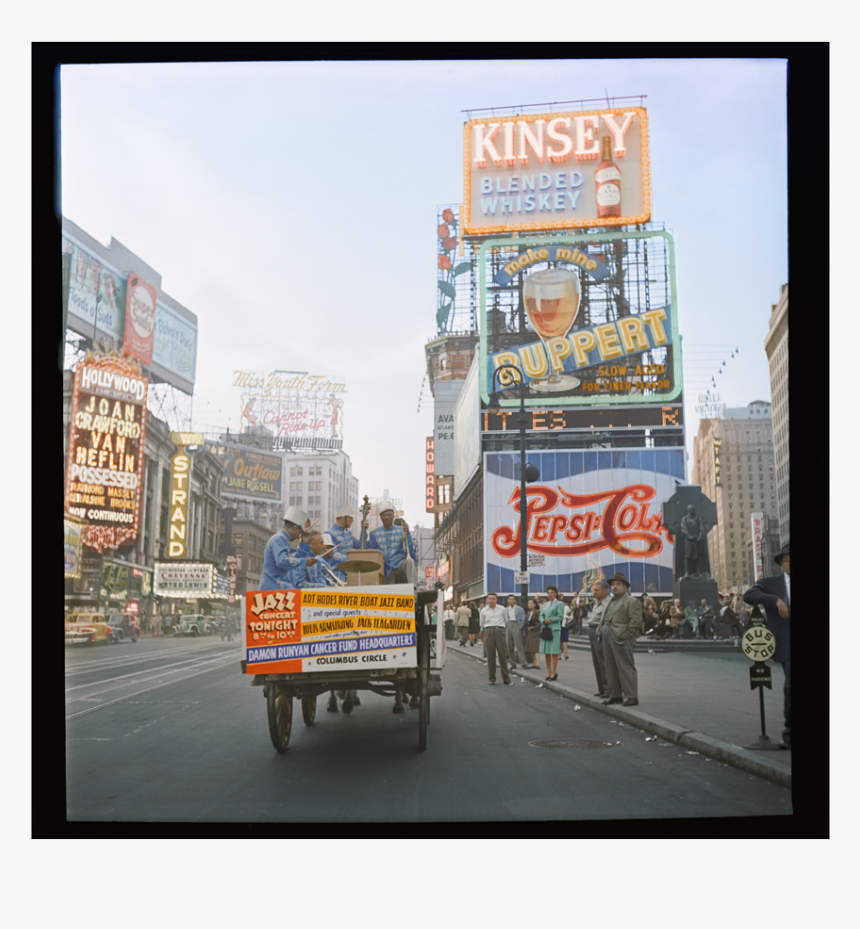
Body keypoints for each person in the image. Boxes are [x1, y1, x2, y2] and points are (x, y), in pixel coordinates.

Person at [743, 543, 791, 748]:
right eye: (788, 560)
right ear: (782, 563)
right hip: (787, 645)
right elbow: (749, 596)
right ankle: (790, 735)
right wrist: (774, 600)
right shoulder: (771, 583)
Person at [596, 573, 642, 706]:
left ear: (625, 587)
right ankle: (615, 695)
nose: (614, 587)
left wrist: (626, 635)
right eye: (613, 585)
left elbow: (635, 622)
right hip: (607, 635)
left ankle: (632, 696)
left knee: (625, 667)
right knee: (610, 667)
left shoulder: (631, 601)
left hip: (620, 637)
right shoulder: (610, 600)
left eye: (618, 585)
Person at [259, 506, 314, 591]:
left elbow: (296, 558)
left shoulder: (282, 540)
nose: (299, 535)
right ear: (295, 528)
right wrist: (304, 561)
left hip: (276, 584)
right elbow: (282, 561)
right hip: (272, 584)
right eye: (300, 532)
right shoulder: (279, 539)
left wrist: (304, 544)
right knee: (299, 599)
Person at [367, 501, 416, 585]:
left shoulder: (402, 530)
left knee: (410, 562)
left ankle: (413, 588)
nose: (387, 517)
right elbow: (372, 555)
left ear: (393, 516)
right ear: (381, 517)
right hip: (384, 568)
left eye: (389, 515)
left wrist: (408, 535)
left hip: (400, 564)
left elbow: (411, 553)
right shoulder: (373, 534)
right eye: (384, 515)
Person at [325, 504, 367, 583]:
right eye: (350, 518)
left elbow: (359, 545)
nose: (352, 520)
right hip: (336, 575)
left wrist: (363, 530)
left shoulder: (348, 533)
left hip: (350, 572)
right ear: (343, 517)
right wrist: (352, 560)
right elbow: (334, 555)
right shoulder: (328, 533)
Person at [479, 592, 512, 685]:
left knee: (502, 655)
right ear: (487, 600)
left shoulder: (502, 609)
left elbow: (506, 621)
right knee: (490, 656)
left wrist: (499, 628)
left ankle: (506, 679)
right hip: (489, 631)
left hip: (500, 630)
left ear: (496, 600)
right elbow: (481, 623)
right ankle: (492, 678)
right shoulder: (483, 611)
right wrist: (488, 628)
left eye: (494, 598)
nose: (492, 600)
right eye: (490, 598)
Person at [586, 580, 611, 697]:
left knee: (603, 661)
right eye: (593, 590)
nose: (594, 592)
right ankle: (602, 689)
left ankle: (608, 690)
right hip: (592, 631)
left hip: (599, 632)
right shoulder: (597, 603)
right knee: (597, 662)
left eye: (596, 590)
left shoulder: (608, 603)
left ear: (605, 591)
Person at [539, 585, 564, 681]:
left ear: (555, 594)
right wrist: (543, 620)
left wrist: (551, 619)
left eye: (552, 593)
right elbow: (541, 615)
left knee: (554, 651)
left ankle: (554, 672)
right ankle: (548, 671)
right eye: (548, 593)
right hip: (545, 628)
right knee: (546, 652)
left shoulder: (559, 604)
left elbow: (560, 616)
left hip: (554, 629)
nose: (550, 594)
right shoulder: (545, 604)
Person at [504, 594, 530, 669]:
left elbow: (523, 619)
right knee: (509, 645)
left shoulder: (520, 609)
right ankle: (513, 663)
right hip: (508, 625)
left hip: (516, 624)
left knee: (519, 645)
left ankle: (524, 663)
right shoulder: (505, 609)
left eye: (513, 599)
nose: (511, 600)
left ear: (515, 600)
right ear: (507, 600)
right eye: (510, 599)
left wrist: (520, 627)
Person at [524, 598, 542, 670]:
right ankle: (534, 663)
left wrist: (534, 627)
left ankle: (537, 664)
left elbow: (540, 622)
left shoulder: (537, 612)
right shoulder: (528, 612)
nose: (529, 605)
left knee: (535, 648)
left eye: (531, 603)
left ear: (535, 604)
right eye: (528, 603)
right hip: (529, 631)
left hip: (535, 632)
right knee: (531, 649)